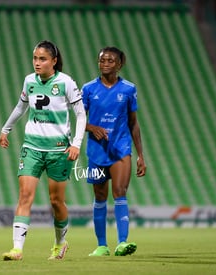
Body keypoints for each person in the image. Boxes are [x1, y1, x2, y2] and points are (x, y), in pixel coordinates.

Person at [0, 40, 86, 261]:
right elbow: (21, 106)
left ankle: (60, 243)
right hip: (31, 148)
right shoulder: (29, 80)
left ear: (54, 61)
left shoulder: (66, 83)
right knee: (24, 196)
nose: (37, 63)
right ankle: (17, 249)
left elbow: (81, 114)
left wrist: (76, 143)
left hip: (58, 150)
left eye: (42, 59)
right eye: (35, 58)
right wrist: (5, 129)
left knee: (56, 201)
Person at [82, 46, 147, 256]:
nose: (105, 64)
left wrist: (141, 155)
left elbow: (133, 123)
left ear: (119, 64)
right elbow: (78, 120)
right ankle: (102, 245)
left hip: (121, 149)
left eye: (110, 61)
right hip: (96, 151)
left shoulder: (128, 89)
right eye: (102, 60)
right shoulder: (88, 89)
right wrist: (92, 128)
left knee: (120, 193)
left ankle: (122, 242)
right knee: (100, 197)